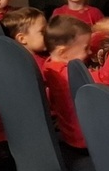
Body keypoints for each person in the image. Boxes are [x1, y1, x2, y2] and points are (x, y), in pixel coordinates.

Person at [41, 15, 99, 149]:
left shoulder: (49, 65)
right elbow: (104, 79)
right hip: (85, 138)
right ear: (63, 52)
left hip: (69, 133)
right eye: (86, 48)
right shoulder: (66, 72)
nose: (90, 51)